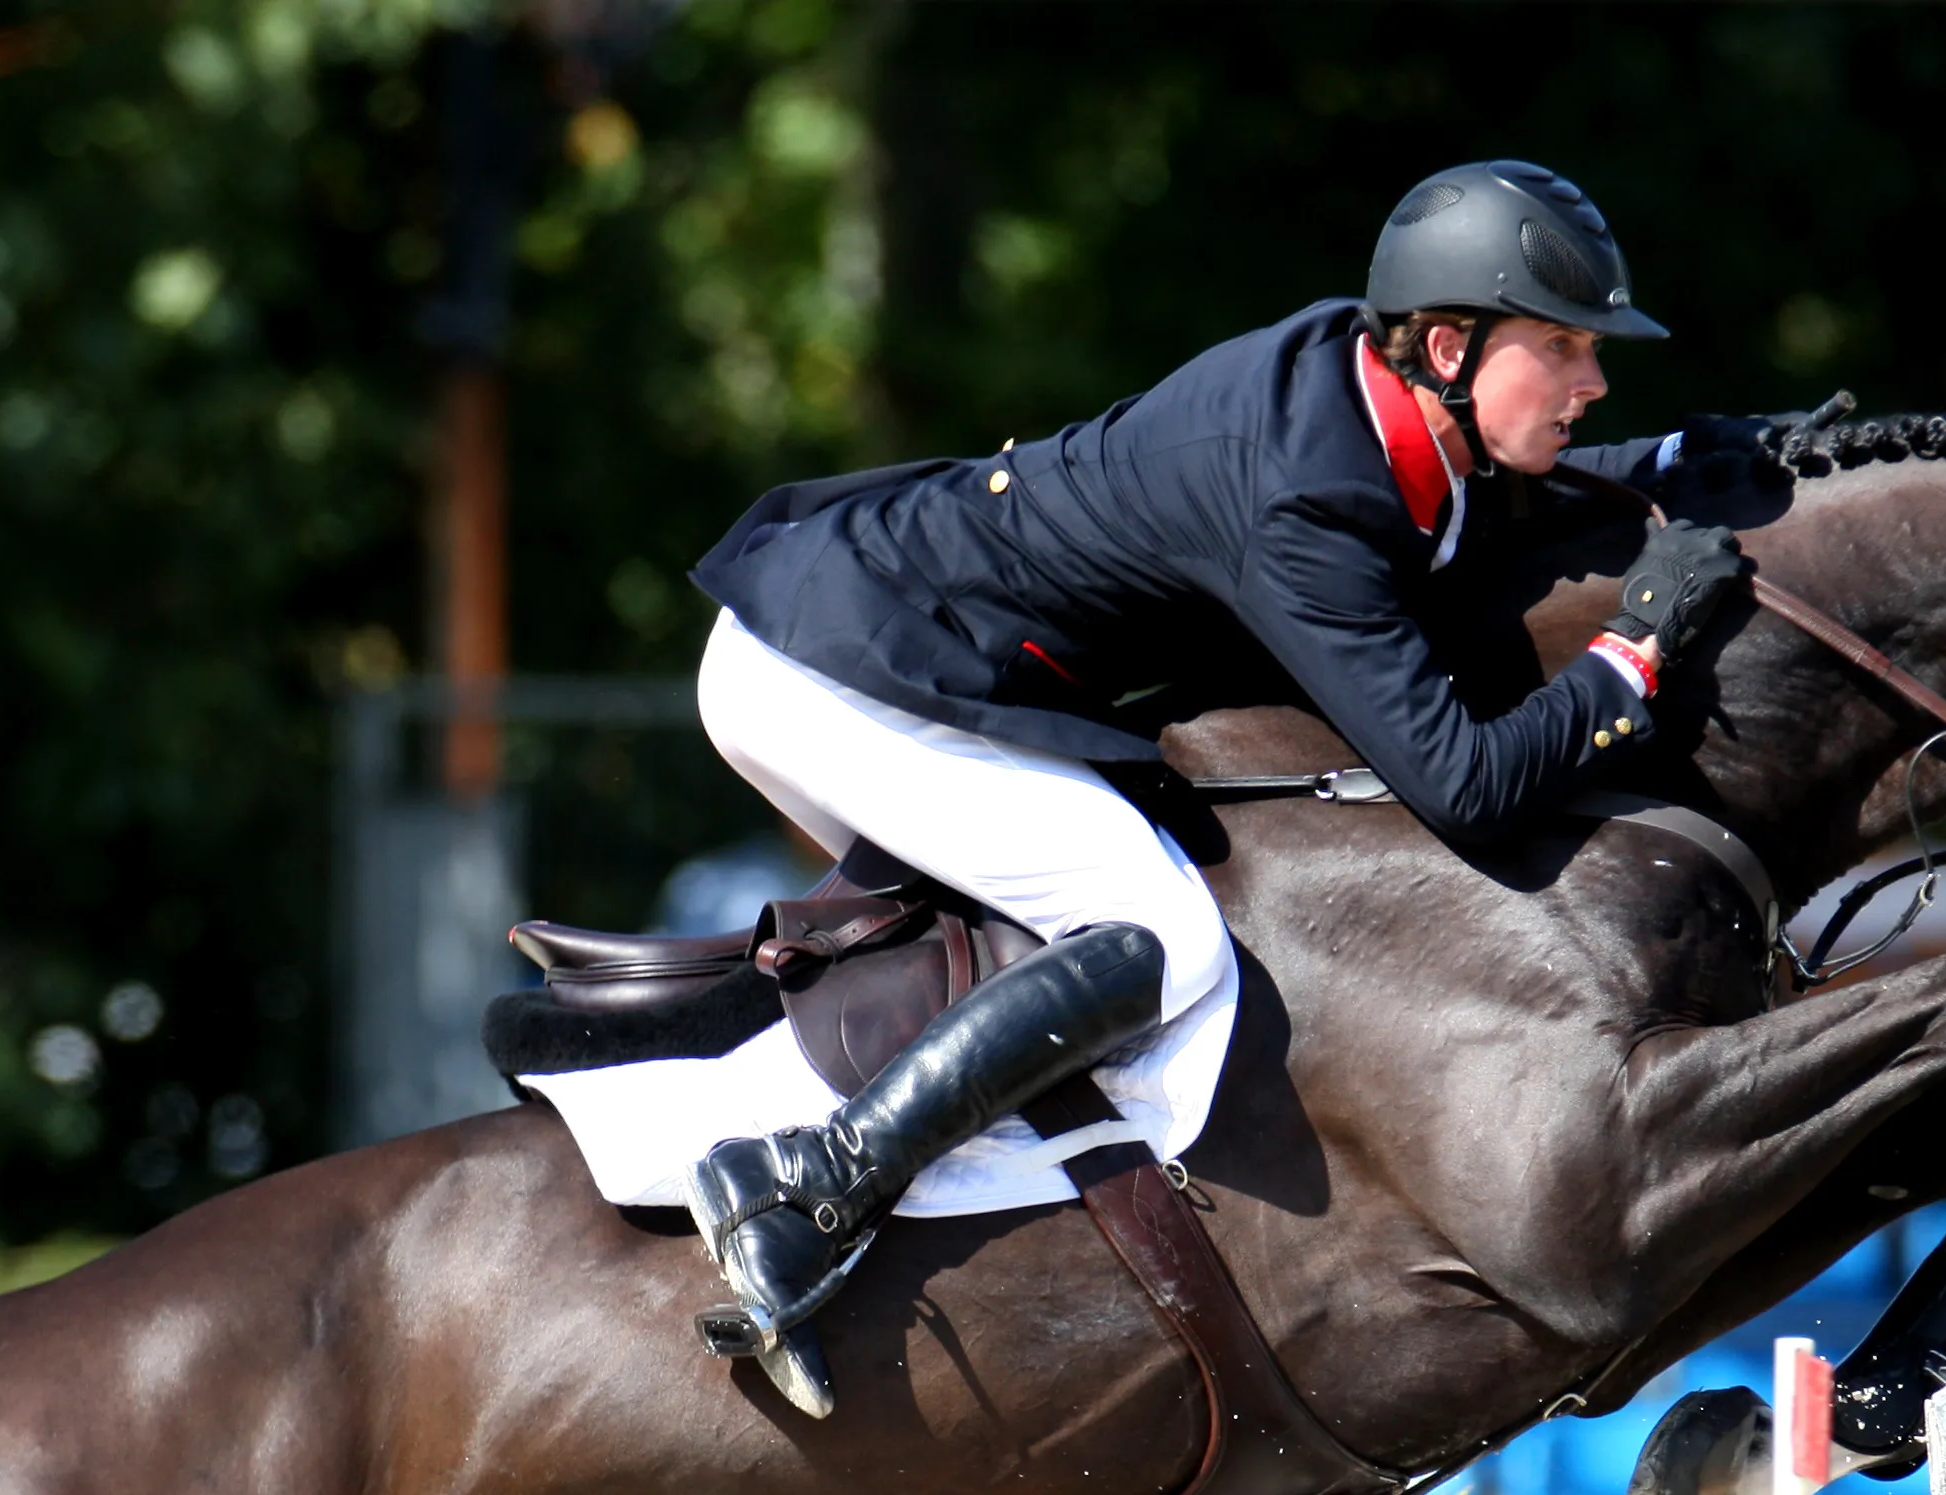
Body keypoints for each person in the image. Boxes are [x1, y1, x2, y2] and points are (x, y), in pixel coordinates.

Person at [660, 159, 1754, 1412]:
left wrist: (1670, 457)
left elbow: (1489, 508)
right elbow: (1467, 784)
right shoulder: (1302, 497)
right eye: (1562, 347)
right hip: (826, 672)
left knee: (1072, 938)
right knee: (1158, 935)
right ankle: (805, 1186)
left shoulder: (1370, 400)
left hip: (874, 639)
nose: (1593, 377)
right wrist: (1634, 657)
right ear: (1448, 345)